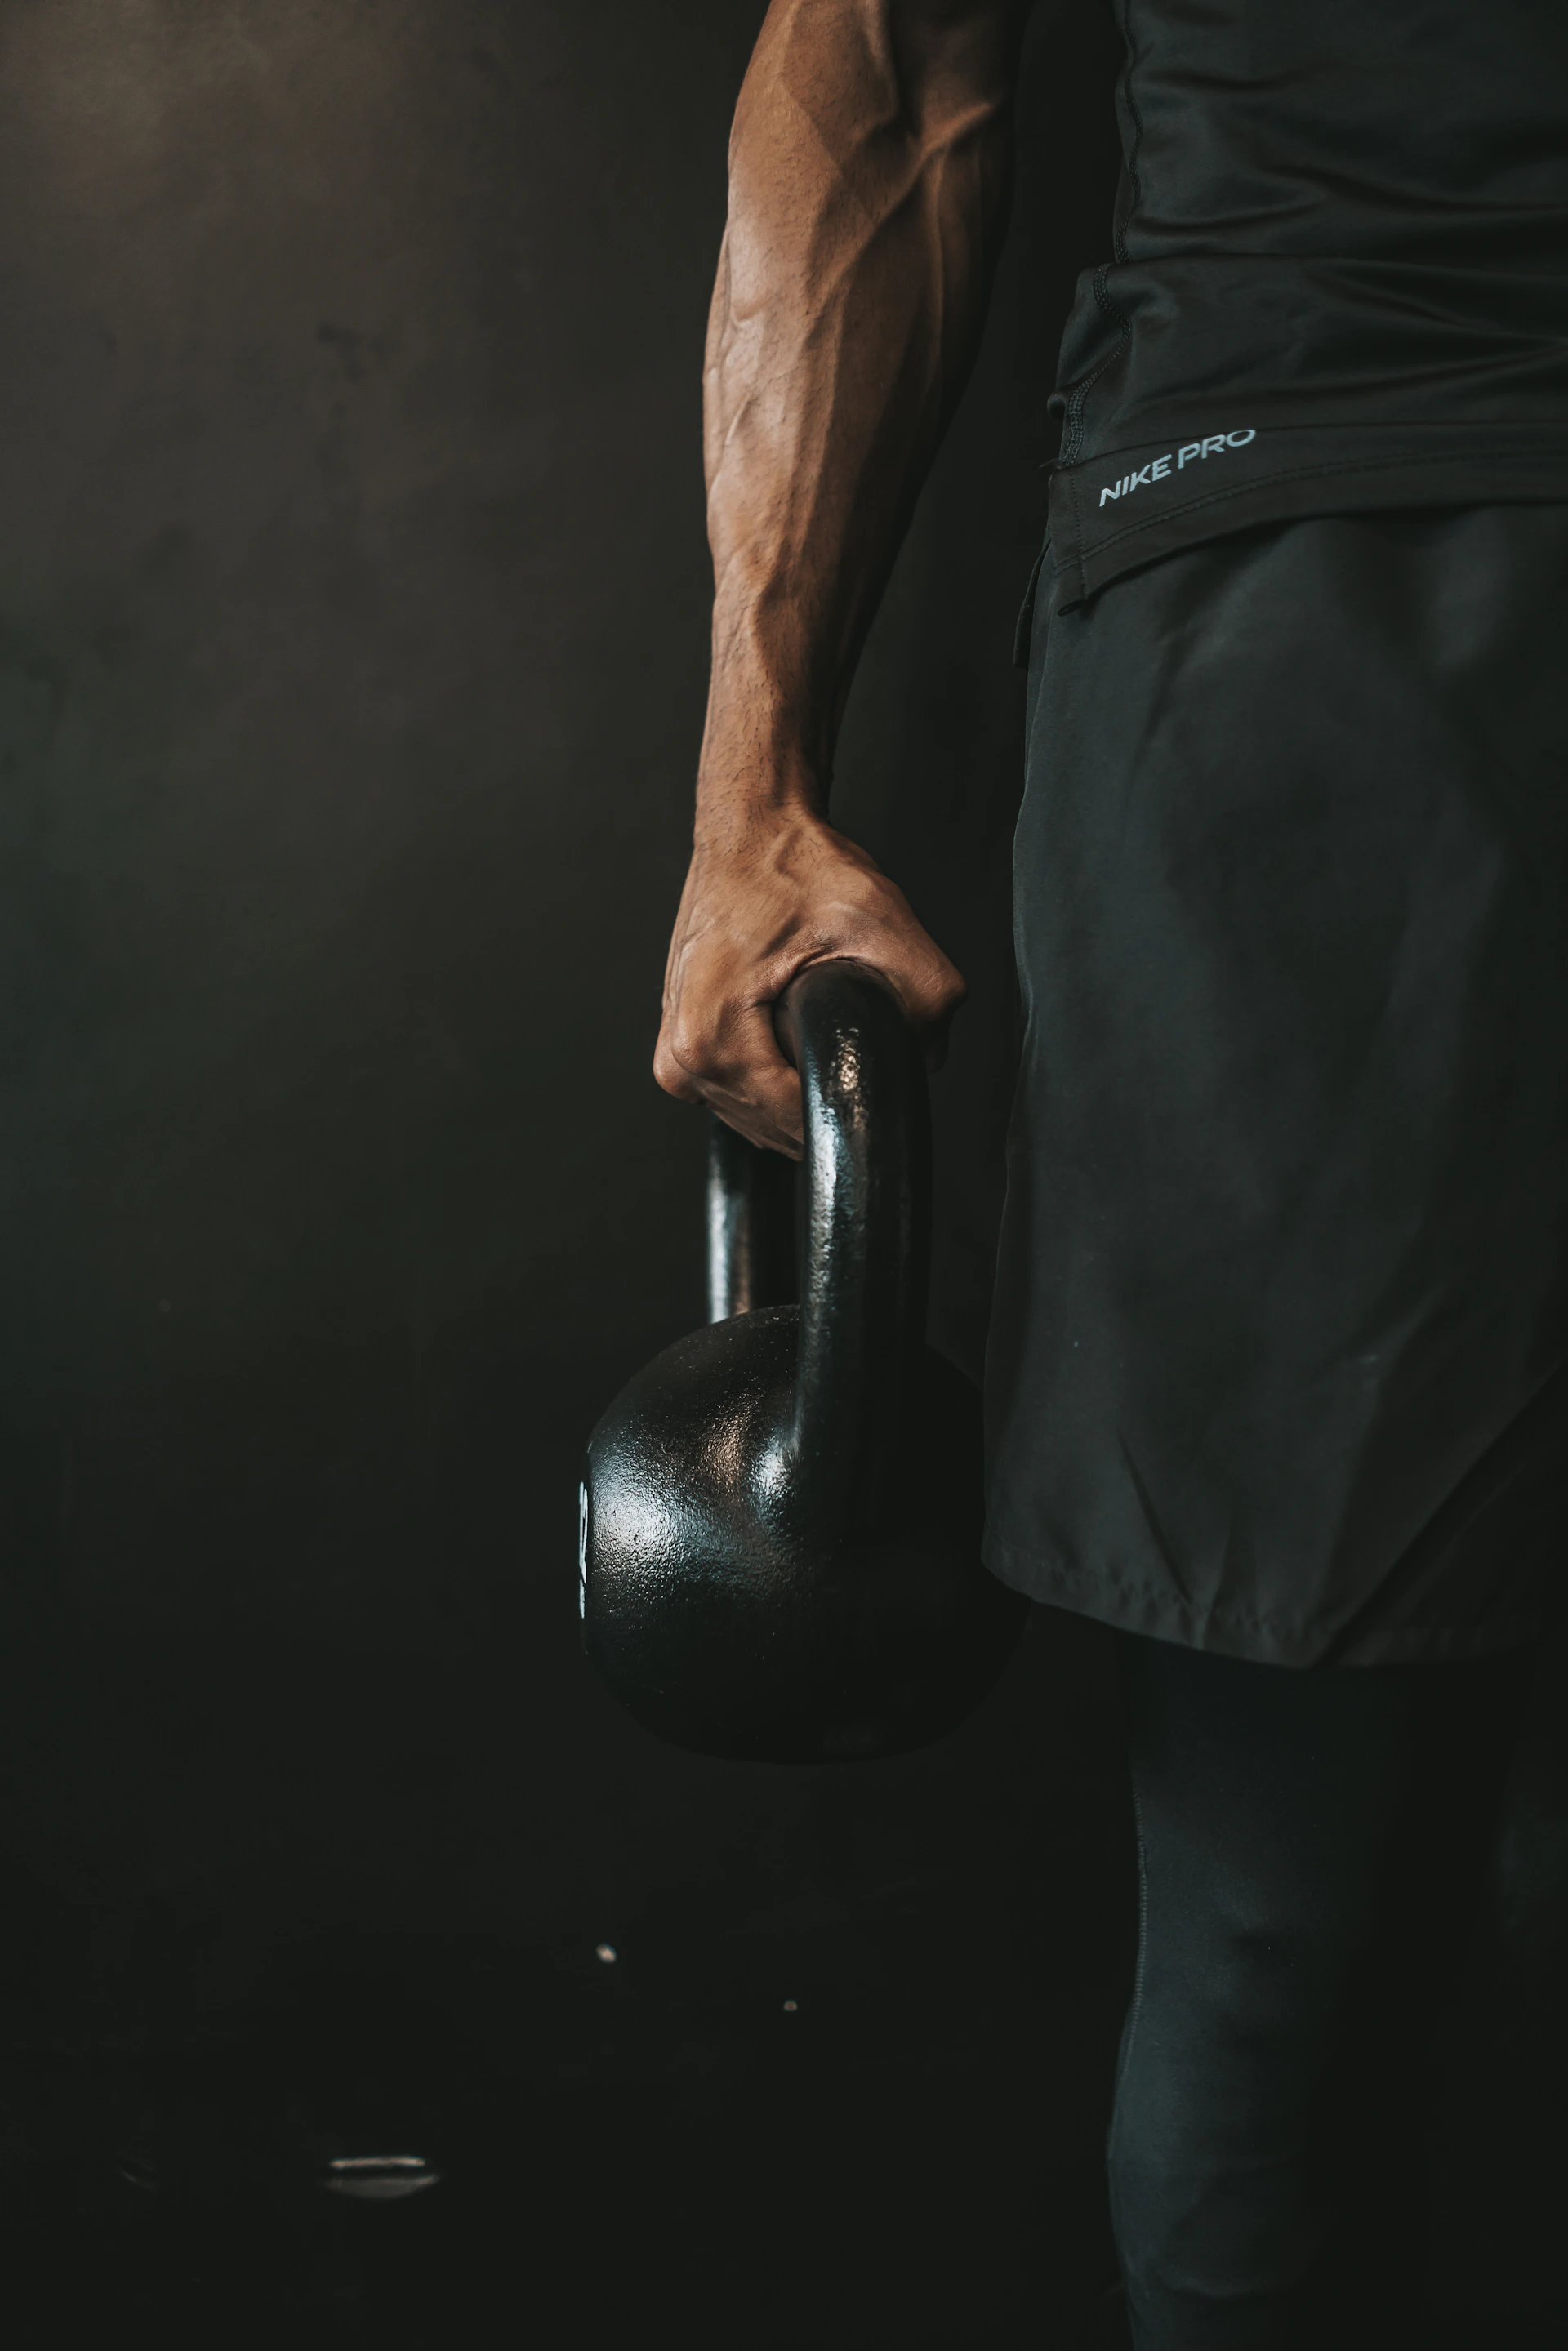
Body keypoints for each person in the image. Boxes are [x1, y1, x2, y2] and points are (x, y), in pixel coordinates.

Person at [653, 3, 1568, 2343]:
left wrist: (758, 796)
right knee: (1288, 1900)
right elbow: (890, 60)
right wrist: (751, 793)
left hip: (1276, 586)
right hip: (1311, 595)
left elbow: (896, 72)